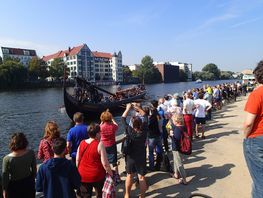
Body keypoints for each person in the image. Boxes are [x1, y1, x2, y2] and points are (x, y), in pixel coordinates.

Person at [243, 60, 263, 198]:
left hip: (257, 139)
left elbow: (249, 123)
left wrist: (245, 136)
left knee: (260, 181)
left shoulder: (257, 94)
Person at [76, 123, 113, 198]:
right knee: (99, 194)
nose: (101, 134)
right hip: (97, 175)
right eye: (100, 132)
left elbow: (77, 160)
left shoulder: (82, 143)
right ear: (97, 134)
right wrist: (111, 173)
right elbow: (105, 164)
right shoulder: (99, 144)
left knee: (86, 195)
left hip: (83, 175)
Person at [122, 103, 148, 198]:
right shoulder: (144, 131)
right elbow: (145, 116)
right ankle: (142, 196)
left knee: (129, 175)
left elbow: (123, 118)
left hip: (131, 157)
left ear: (132, 124)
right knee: (141, 177)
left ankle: (127, 194)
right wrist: (139, 108)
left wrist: (128, 108)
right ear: (140, 124)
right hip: (141, 155)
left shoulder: (129, 130)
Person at [2, 133, 36, 198]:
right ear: (25, 142)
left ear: (12, 143)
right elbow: (34, 170)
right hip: (29, 183)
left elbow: (5, 178)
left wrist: (4, 190)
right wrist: (31, 180)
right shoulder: (31, 153)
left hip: (14, 187)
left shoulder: (6, 159)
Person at [100, 110, 121, 183]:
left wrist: (101, 122)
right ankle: (117, 177)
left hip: (103, 146)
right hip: (112, 145)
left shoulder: (101, 127)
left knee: (105, 161)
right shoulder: (113, 126)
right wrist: (113, 120)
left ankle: (107, 176)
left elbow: (99, 128)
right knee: (114, 162)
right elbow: (117, 126)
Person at [166, 114, 187, 185]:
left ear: (177, 121)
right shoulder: (182, 127)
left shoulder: (177, 129)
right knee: (175, 161)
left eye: (173, 120)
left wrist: (171, 136)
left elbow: (176, 140)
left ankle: (184, 179)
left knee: (179, 163)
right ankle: (176, 174)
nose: (173, 121)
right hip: (180, 147)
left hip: (177, 148)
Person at [148, 100, 163, 171]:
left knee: (151, 152)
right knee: (159, 150)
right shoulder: (158, 113)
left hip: (152, 136)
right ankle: (159, 164)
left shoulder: (152, 117)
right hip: (158, 134)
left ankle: (152, 167)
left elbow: (148, 125)